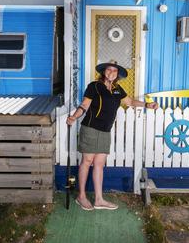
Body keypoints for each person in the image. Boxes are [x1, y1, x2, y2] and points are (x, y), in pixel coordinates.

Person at [66, 60, 158, 211]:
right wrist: (74, 117)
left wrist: (147, 105)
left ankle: (99, 199)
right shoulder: (94, 86)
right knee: (87, 161)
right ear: (104, 72)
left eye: (115, 71)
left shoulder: (117, 89)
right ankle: (81, 196)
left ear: (117, 75)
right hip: (90, 128)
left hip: (105, 131)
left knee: (99, 165)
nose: (111, 73)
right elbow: (84, 105)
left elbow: (130, 102)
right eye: (109, 70)